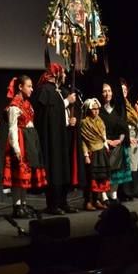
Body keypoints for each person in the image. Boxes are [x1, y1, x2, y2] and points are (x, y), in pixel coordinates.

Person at [33, 62, 78, 215]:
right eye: (63, 73)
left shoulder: (58, 91)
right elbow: (49, 112)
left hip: (62, 135)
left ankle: (63, 202)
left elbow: (60, 111)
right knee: (54, 170)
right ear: (57, 74)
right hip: (51, 138)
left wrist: (71, 120)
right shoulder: (45, 90)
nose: (64, 75)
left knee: (63, 169)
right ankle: (52, 204)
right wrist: (66, 102)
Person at [3, 75, 47, 218]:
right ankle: (16, 206)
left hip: (29, 139)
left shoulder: (27, 103)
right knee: (19, 175)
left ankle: (23, 203)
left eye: (32, 86)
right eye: (29, 86)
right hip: (20, 141)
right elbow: (12, 128)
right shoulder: (14, 106)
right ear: (20, 87)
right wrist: (16, 148)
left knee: (26, 174)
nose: (32, 89)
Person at [99, 82, 131, 204]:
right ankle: (103, 196)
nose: (107, 94)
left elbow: (123, 127)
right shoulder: (98, 109)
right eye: (104, 91)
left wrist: (120, 140)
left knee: (117, 172)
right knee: (103, 172)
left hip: (118, 143)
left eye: (109, 91)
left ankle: (113, 194)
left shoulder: (118, 109)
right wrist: (107, 141)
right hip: (104, 144)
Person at [80, 98, 112, 210]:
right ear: (89, 110)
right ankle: (88, 201)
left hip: (101, 150)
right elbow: (83, 140)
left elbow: (103, 136)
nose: (96, 111)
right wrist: (86, 155)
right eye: (93, 109)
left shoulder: (100, 121)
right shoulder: (84, 123)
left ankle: (96, 199)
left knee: (100, 177)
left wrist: (106, 147)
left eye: (97, 109)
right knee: (91, 178)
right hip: (92, 152)